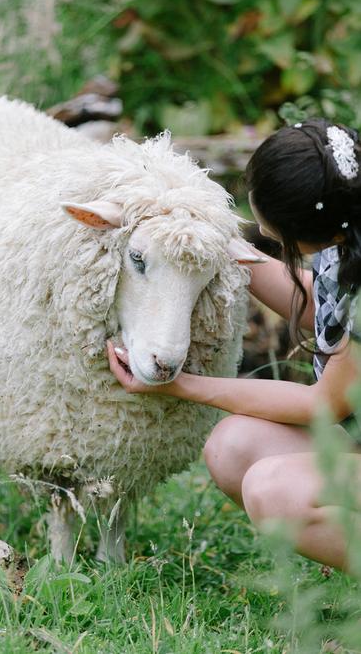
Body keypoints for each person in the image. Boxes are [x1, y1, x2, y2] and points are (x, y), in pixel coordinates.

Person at [107, 118, 361, 573]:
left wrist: (181, 385)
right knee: (234, 448)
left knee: (273, 490)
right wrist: (218, 244)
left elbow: (324, 404)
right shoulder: (349, 230)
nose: (251, 208)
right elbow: (323, 311)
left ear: (318, 229)